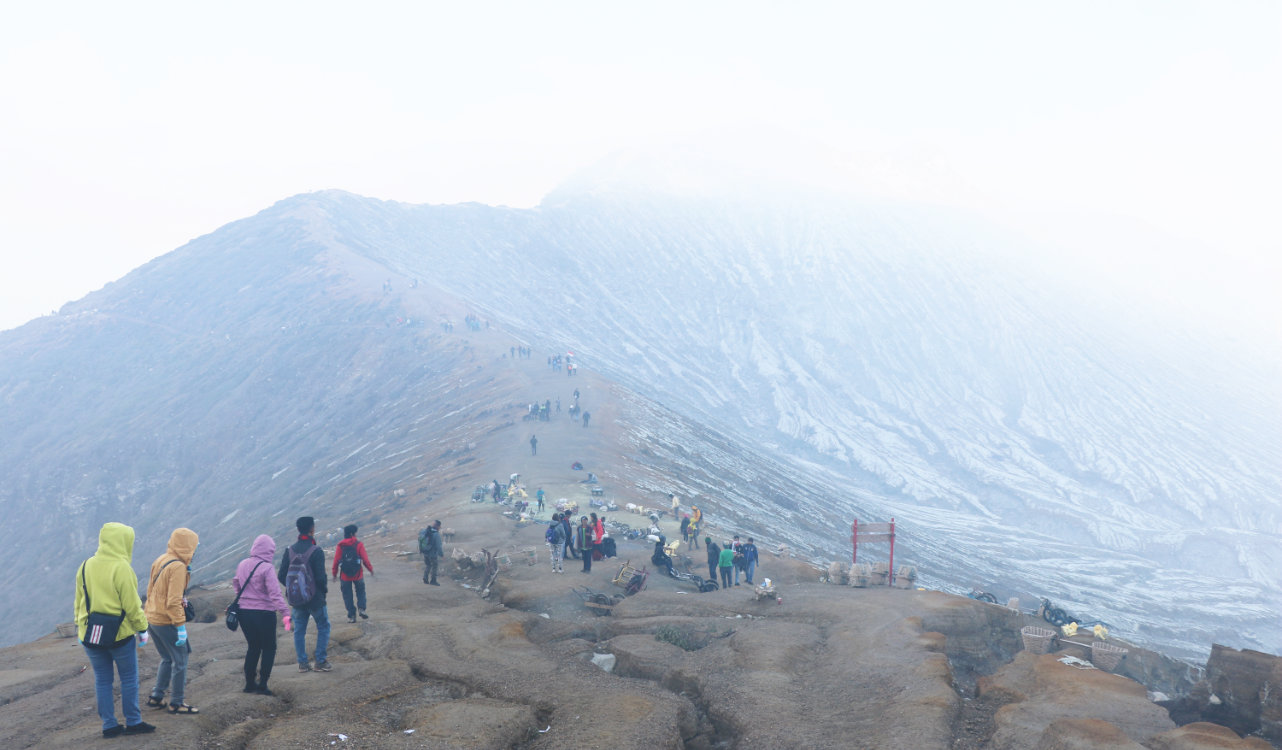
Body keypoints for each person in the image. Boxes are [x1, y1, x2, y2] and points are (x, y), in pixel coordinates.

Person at [75, 522, 155, 738]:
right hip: (119, 635)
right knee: (128, 678)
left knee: (102, 680)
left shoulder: (85, 566)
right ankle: (133, 722)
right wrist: (142, 629)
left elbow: (79, 602)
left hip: (91, 635)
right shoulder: (122, 568)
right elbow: (132, 605)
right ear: (123, 542)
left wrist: (79, 629)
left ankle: (109, 726)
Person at [144, 527, 200, 714]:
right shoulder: (178, 566)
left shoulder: (161, 559)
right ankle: (176, 703)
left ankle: (156, 696)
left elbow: (151, 591)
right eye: (194, 545)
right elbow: (172, 601)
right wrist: (180, 625)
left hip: (153, 618)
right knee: (180, 660)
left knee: (167, 658)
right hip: (166, 621)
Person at [233, 534, 292, 695]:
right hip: (264, 613)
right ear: (269, 550)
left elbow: (236, 583)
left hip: (244, 613)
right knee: (269, 648)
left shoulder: (243, 563)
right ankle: (263, 685)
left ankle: (249, 684)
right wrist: (285, 613)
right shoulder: (267, 567)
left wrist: (243, 599)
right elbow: (275, 594)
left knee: (253, 647)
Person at [278, 516, 331, 672]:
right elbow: (321, 577)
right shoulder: (316, 551)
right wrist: (322, 592)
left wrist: (294, 589)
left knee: (299, 631)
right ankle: (320, 662)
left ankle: (303, 664)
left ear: (298, 529)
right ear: (312, 529)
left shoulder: (289, 551)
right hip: (315, 599)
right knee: (323, 626)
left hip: (297, 599)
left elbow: (281, 575)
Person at [332, 525, 374, 622]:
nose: (356, 534)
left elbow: (336, 561)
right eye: (355, 532)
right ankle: (362, 609)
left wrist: (334, 574)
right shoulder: (358, 544)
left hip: (345, 576)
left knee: (347, 595)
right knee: (360, 591)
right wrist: (370, 570)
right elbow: (365, 560)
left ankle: (352, 616)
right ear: (352, 533)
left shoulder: (340, 545)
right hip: (358, 574)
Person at [420, 520, 444, 585]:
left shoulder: (426, 531)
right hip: (432, 554)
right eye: (439, 527)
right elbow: (439, 546)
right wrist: (441, 555)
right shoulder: (436, 534)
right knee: (434, 566)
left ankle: (425, 578)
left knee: (428, 565)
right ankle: (433, 580)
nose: (439, 528)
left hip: (425, 552)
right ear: (437, 526)